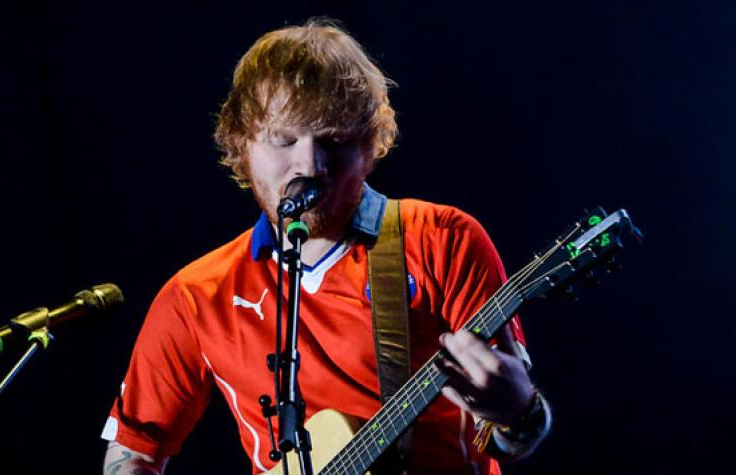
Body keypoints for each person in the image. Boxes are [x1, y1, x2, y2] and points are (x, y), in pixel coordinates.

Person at [101, 19, 551, 475]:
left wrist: (519, 413)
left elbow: (509, 437)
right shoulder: (197, 296)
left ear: (370, 148)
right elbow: (133, 452)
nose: (309, 165)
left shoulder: (444, 239)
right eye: (283, 139)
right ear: (242, 144)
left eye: (334, 141)